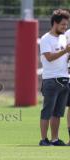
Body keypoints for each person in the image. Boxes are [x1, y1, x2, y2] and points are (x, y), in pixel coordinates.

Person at [39, 9, 70, 146]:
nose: (65, 27)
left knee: (58, 113)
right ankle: (43, 139)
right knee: (47, 111)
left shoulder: (64, 38)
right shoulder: (46, 39)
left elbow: (65, 56)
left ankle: (55, 139)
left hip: (64, 79)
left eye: (66, 24)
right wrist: (65, 51)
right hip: (51, 80)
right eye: (63, 24)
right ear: (55, 23)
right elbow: (49, 57)